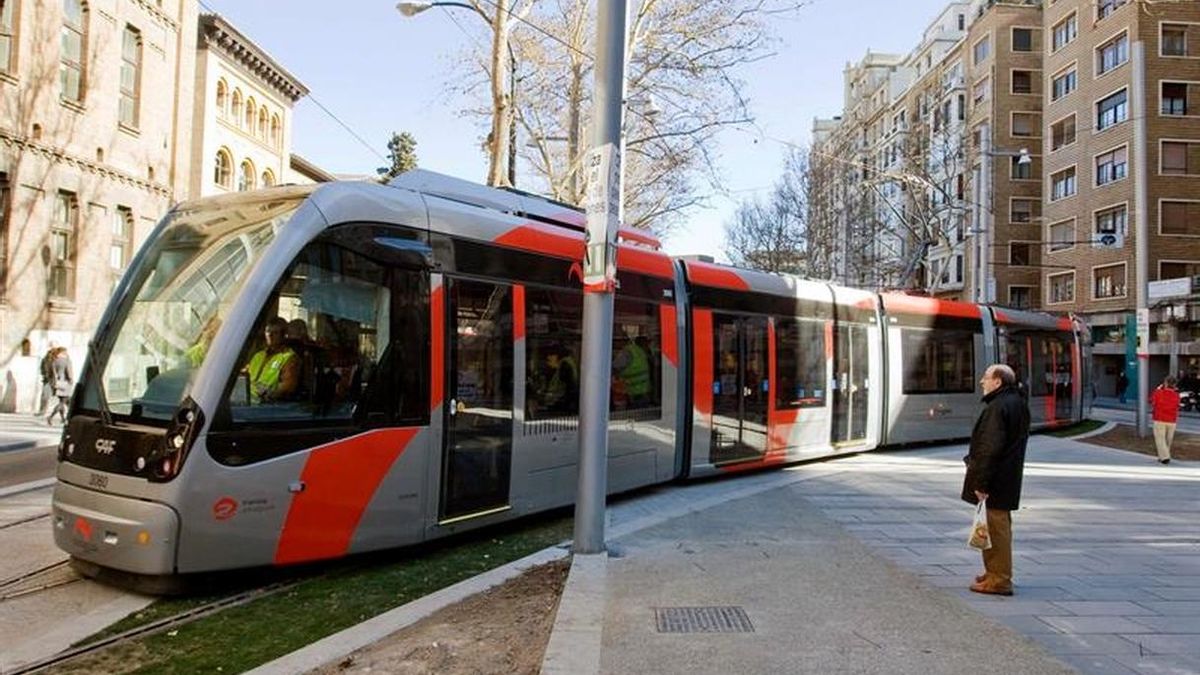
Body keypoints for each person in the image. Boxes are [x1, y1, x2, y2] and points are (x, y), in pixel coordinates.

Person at [962, 363, 1030, 596]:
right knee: (996, 528)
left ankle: (999, 579)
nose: (982, 381)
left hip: (996, 480)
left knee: (995, 529)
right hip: (1006, 478)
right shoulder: (1015, 402)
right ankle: (994, 572)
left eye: (986, 377)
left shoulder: (998, 406)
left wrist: (981, 483)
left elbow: (990, 447)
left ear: (998, 382)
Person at [246, 317, 299, 403]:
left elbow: (287, 387)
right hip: (246, 400)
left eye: (275, 333)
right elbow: (244, 375)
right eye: (267, 331)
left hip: (266, 404)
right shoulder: (258, 355)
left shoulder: (289, 357)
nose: (270, 335)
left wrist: (268, 395)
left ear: (283, 335)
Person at [613, 333, 651, 410]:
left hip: (632, 394)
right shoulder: (639, 351)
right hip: (644, 391)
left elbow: (615, 367)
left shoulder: (626, 352)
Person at [1150, 375, 1181, 465]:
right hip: (1172, 420)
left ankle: (1165, 457)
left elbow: (1151, 401)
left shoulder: (1159, 392)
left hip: (1160, 418)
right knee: (1168, 440)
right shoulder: (1177, 395)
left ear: (1166, 383)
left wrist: (1158, 389)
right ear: (1175, 384)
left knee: (1160, 439)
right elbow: (1177, 406)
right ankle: (1163, 456)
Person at [540, 345, 579, 415]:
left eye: (550, 357)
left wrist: (553, 405)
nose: (548, 359)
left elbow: (565, 390)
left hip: (562, 407)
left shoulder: (565, 365)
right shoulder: (566, 363)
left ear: (556, 356)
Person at [46, 347, 74, 425]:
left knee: (62, 401)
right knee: (63, 402)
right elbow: (69, 372)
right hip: (65, 384)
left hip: (56, 384)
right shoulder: (66, 361)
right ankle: (50, 417)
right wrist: (71, 380)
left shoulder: (53, 361)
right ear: (63, 352)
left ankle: (63, 419)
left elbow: (49, 374)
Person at [35, 344, 57, 416]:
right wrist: (44, 374)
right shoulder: (45, 360)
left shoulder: (54, 360)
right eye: (49, 352)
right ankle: (42, 411)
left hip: (51, 380)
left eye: (51, 353)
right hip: (47, 380)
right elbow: (42, 368)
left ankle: (43, 411)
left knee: (46, 396)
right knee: (44, 396)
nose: (50, 354)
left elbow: (55, 371)